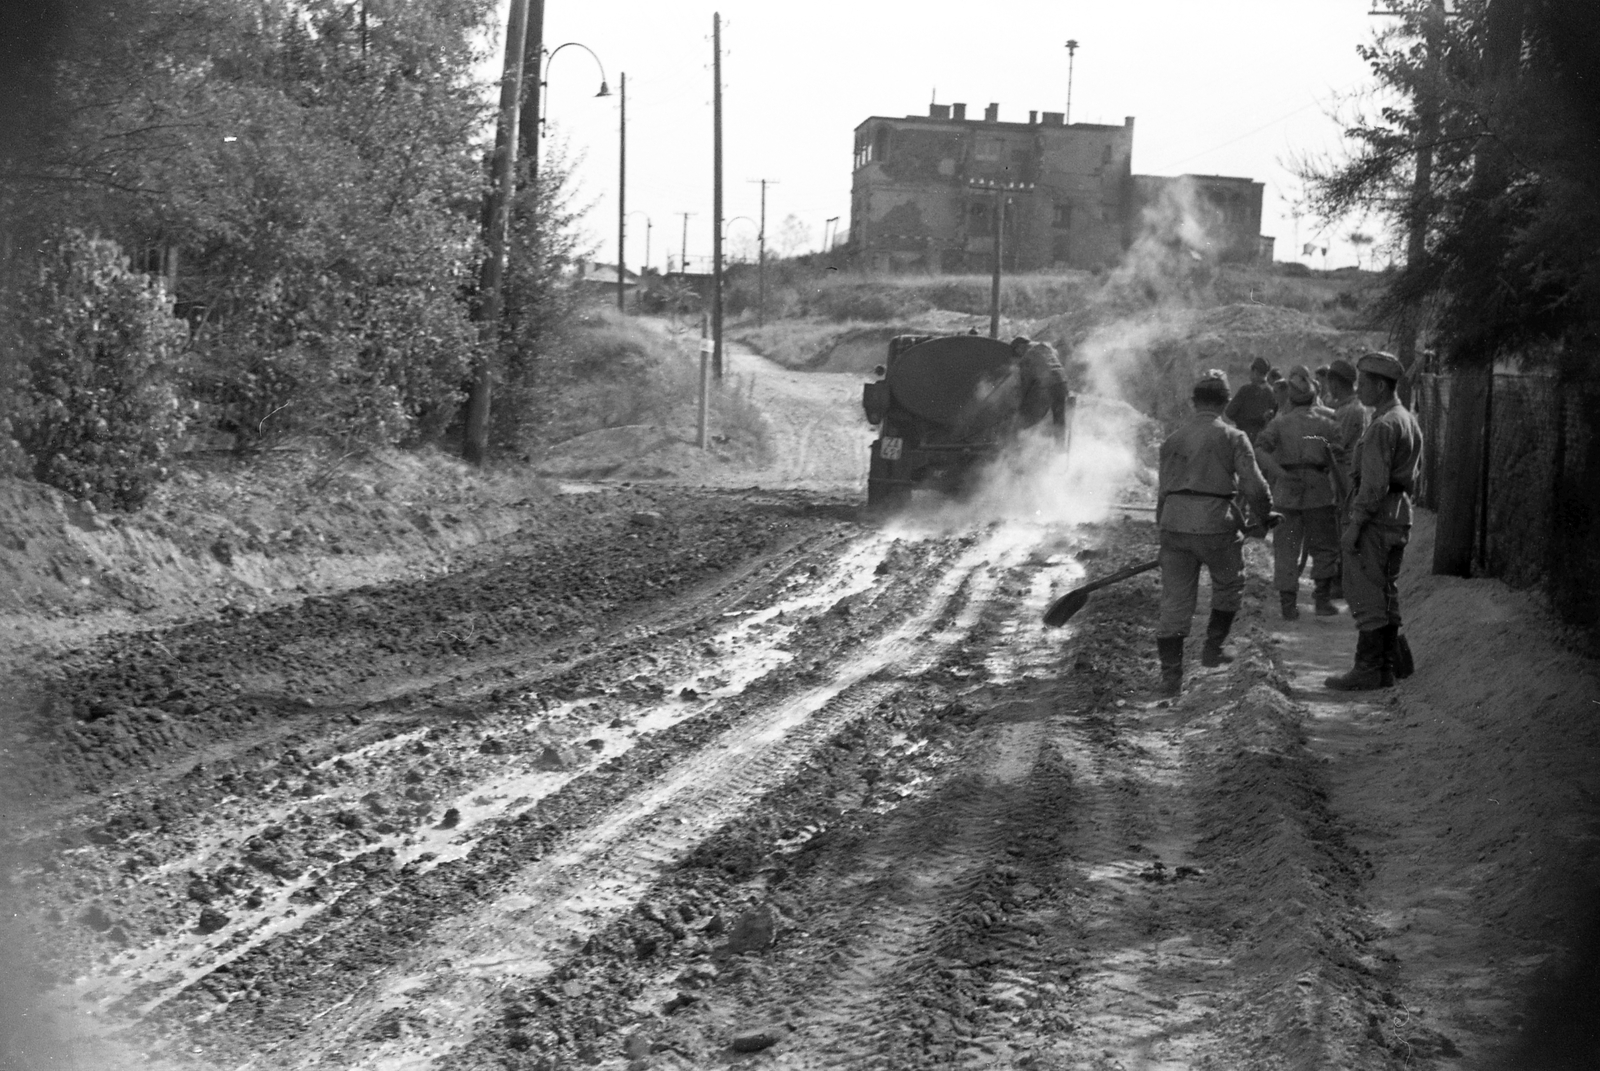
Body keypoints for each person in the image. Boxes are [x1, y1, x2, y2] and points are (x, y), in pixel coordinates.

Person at [1155, 369, 1275, 697]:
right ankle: (1212, 649)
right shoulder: (1233, 437)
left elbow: (1163, 491)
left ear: (1194, 402)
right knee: (1229, 584)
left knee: (1175, 601)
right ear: (1225, 402)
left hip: (1174, 524)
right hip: (1215, 523)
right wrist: (1265, 515)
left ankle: (1170, 676)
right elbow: (1253, 484)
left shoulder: (1173, 440)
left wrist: (1163, 531)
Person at [1325, 352, 1424, 691]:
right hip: (1398, 514)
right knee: (1385, 590)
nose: (1359, 388)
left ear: (1380, 386)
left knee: (1367, 592)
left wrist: (1355, 525)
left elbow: (1373, 485)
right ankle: (1387, 667)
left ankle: (1368, 668)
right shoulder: (1405, 419)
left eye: (1364, 383)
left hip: (1378, 517)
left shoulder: (1383, 425)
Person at [1256, 366, 1342, 618]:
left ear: (1291, 398)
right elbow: (1338, 457)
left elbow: (1259, 451)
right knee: (1325, 546)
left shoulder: (1279, 423)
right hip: (1319, 490)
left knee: (1286, 548)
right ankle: (1322, 599)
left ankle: (1288, 605)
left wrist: (1281, 474)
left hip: (1286, 492)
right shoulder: (1327, 423)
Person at [1010, 335, 1073, 444]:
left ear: (1021, 346)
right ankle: (1060, 451)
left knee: (1023, 421)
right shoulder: (1046, 347)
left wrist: (1020, 405)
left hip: (1047, 386)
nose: (1018, 354)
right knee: (1059, 420)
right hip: (1062, 383)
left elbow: (1025, 385)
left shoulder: (1027, 357)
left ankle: (1013, 448)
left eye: (1017, 351)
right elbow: (1058, 364)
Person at [1224, 357, 1277, 442]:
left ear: (1254, 371)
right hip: (1264, 440)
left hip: (1244, 437)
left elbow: (1229, 412)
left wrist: (1243, 420)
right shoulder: (1273, 393)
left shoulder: (1245, 390)